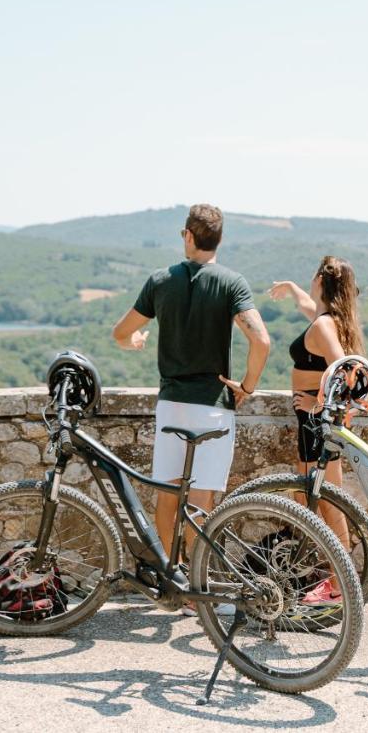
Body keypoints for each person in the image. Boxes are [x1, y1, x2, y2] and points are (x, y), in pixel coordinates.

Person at [112, 203, 271, 563]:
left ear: (187, 236)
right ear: (218, 240)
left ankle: (173, 577)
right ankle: (199, 585)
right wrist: (246, 386)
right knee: (202, 505)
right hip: (213, 408)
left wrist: (133, 342)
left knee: (167, 498)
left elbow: (120, 333)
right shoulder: (232, 283)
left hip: (172, 405)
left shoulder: (161, 281)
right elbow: (261, 341)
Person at [267, 255, 366, 603]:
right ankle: (333, 576)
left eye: (310, 278)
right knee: (310, 497)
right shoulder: (329, 319)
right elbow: (311, 309)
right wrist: (293, 290)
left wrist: (315, 406)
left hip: (315, 421)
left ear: (321, 281)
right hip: (314, 421)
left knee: (325, 501)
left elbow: (346, 370)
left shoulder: (325, 326)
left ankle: (341, 584)